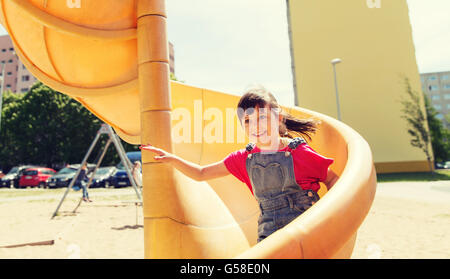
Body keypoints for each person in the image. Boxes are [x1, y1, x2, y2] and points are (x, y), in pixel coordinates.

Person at [140, 85, 339, 242]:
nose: (256, 126)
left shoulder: (298, 153)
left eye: (262, 117)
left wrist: (331, 218)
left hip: (307, 233)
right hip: (270, 239)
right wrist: (171, 158)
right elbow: (201, 173)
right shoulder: (244, 159)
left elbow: (332, 180)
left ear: (278, 119)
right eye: (247, 121)